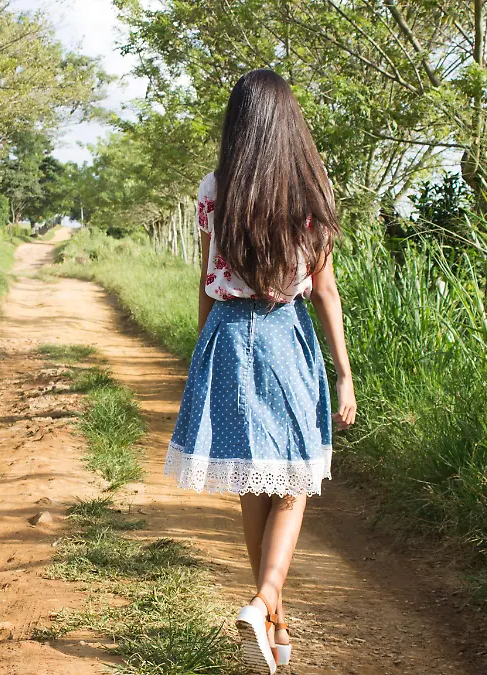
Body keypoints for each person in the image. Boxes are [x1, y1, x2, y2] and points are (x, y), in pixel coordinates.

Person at [165, 69, 357, 674]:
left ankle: (273, 621)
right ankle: (267, 601)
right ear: (289, 123)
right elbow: (324, 289)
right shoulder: (312, 192)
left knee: (254, 482)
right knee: (293, 483)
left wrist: (202, 352)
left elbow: (205, 279)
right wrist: (345, 372)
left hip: (226, 334)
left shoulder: (215, 186)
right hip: (285, 334)